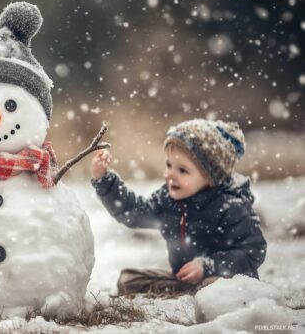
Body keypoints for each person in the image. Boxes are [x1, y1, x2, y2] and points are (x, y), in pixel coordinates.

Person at [90, 118, 267, 295]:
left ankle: (207, 294)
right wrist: (104, 179)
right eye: (169, 165)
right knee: (129, 280)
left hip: (224, 279)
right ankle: (188, 291)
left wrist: (208, 266)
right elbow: (133, 211)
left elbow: (253, 250)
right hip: (184, 279)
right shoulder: (168, 200)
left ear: (211, 177)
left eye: (182, 170)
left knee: (214, 286)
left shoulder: (231, 205)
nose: (170, 175)